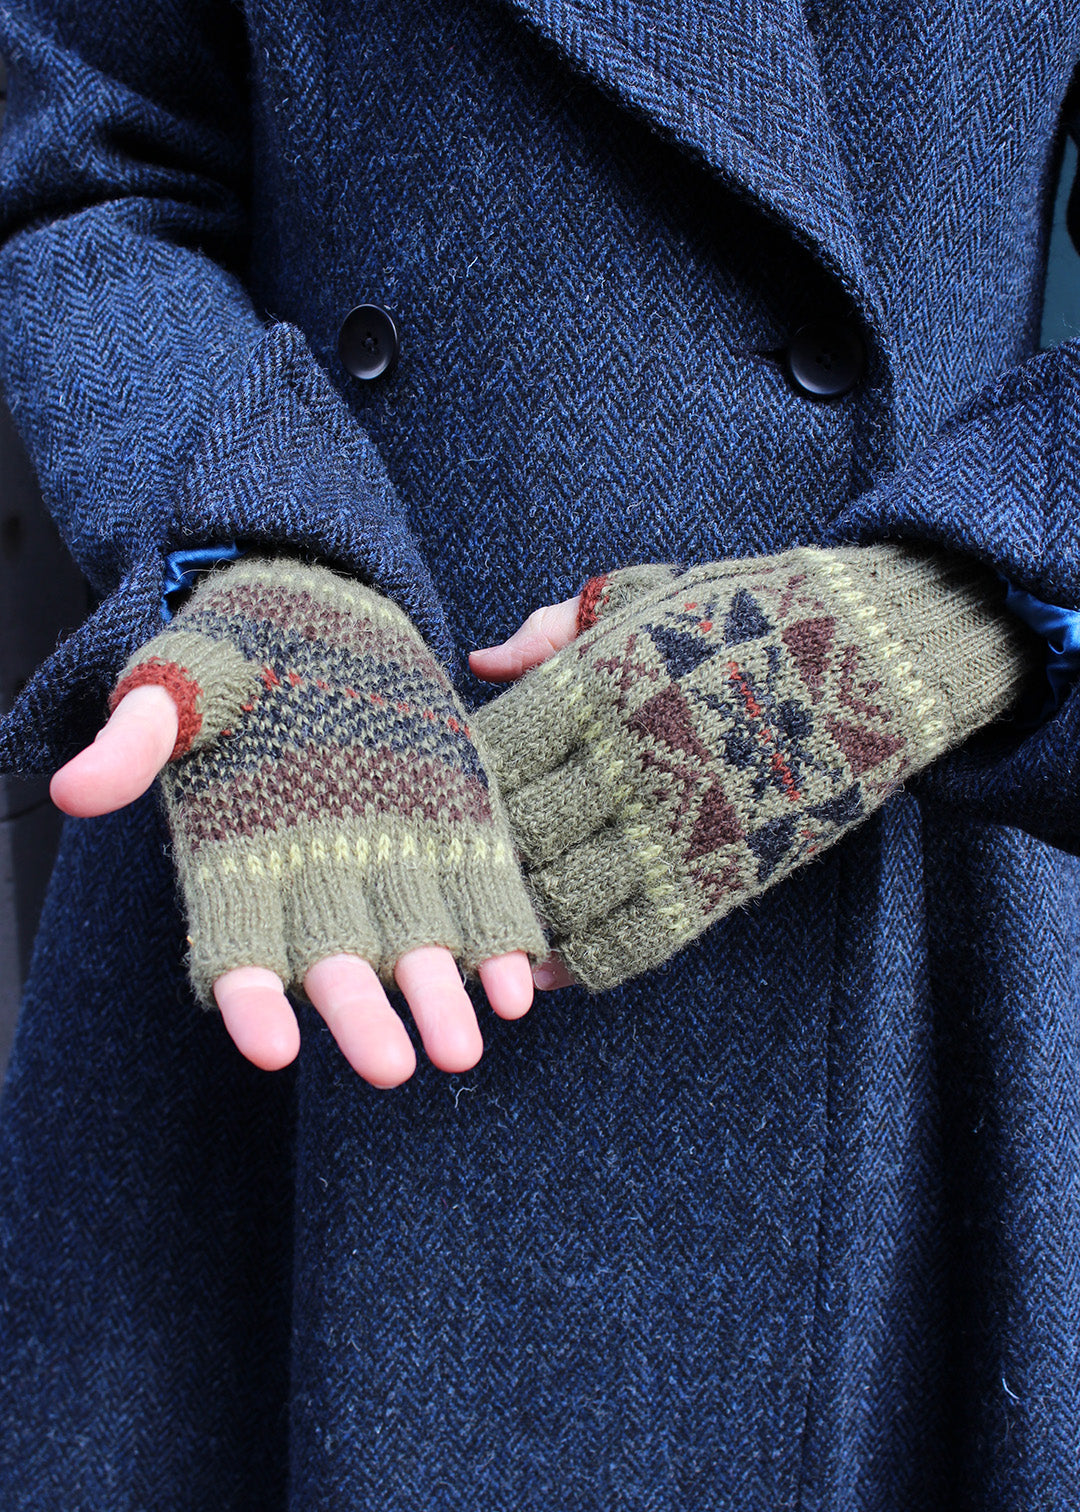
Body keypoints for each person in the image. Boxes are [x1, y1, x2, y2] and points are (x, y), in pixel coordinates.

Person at [1, 0, 1079, 1506]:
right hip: (302, 826)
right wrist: (260, 540)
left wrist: (967, 604)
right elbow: (94, 171)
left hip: (892, 827)